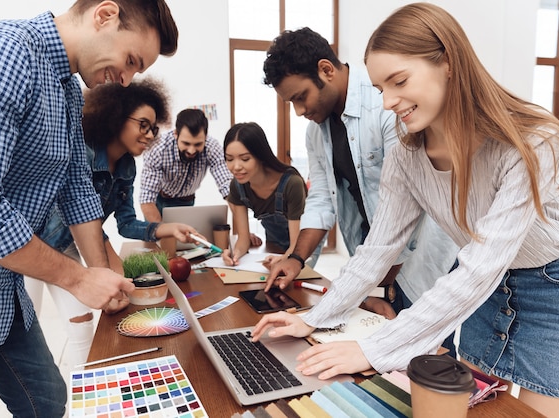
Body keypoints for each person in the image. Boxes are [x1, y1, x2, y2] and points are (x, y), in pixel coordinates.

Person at [252, 3, 559, 416]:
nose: (388, 103)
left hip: (551, 288)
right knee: (470, 408)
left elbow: (480, 267)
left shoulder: (535, 142)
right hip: (482, 288)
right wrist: (314, 319)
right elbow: (377, 248)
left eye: (398, 81)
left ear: (449, 62)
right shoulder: (407, 153)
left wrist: (373, 349)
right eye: (381, 88)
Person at [0, 1, 178, 416]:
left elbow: (74, 187)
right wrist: (78, 279)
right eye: (129, 61)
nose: (125, 81)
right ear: (104, 15)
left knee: (48, 401)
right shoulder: (0, 52)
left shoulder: (66, 86)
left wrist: (100, 267)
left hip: (1, 291)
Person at [261, 27, 458, 328]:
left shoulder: (386, 105)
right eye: (292, 103)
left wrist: (372, 283)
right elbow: (321, 198)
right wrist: (295, 258)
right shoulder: (317, 131)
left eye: (301, 97)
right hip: (373, 271)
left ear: (325, 70)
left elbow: (406, 204)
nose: (299, 111)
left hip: (418, 268)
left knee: (427, 364)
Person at [26, 77, 199, 367]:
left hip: (67, 248)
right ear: (116, 115)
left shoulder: (127, 166)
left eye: (153, 129)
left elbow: (126, 223)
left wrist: (167, 227)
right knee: (23, 329)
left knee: (81, 327)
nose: (149, 135)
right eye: (143, 124)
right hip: (31, 244)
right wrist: (107, 268)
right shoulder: (83, 150)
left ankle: (86, 400)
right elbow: (74, 216)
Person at [222, 122, 307, 267]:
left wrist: (286, 258)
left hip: (303, 244)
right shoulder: (237, 186)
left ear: (260, 156)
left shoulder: (292, 184)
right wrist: (235, 253)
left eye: (245, 159)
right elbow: (243, 239)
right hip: (274, 241)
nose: (236, 167)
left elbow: (296, 245)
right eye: (229, 159)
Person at [139, 108, 232, 222]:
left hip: (186, 201)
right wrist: (161, 233)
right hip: (158, 200)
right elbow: (147, 198)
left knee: (182, 239)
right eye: (186, 143)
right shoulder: (158, 149)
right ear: (176, 134)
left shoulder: (212, 147)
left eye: (198, 144)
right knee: (157, 236)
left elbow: (228, 188)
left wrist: (243, 230)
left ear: (206, 137)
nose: (192, 150)